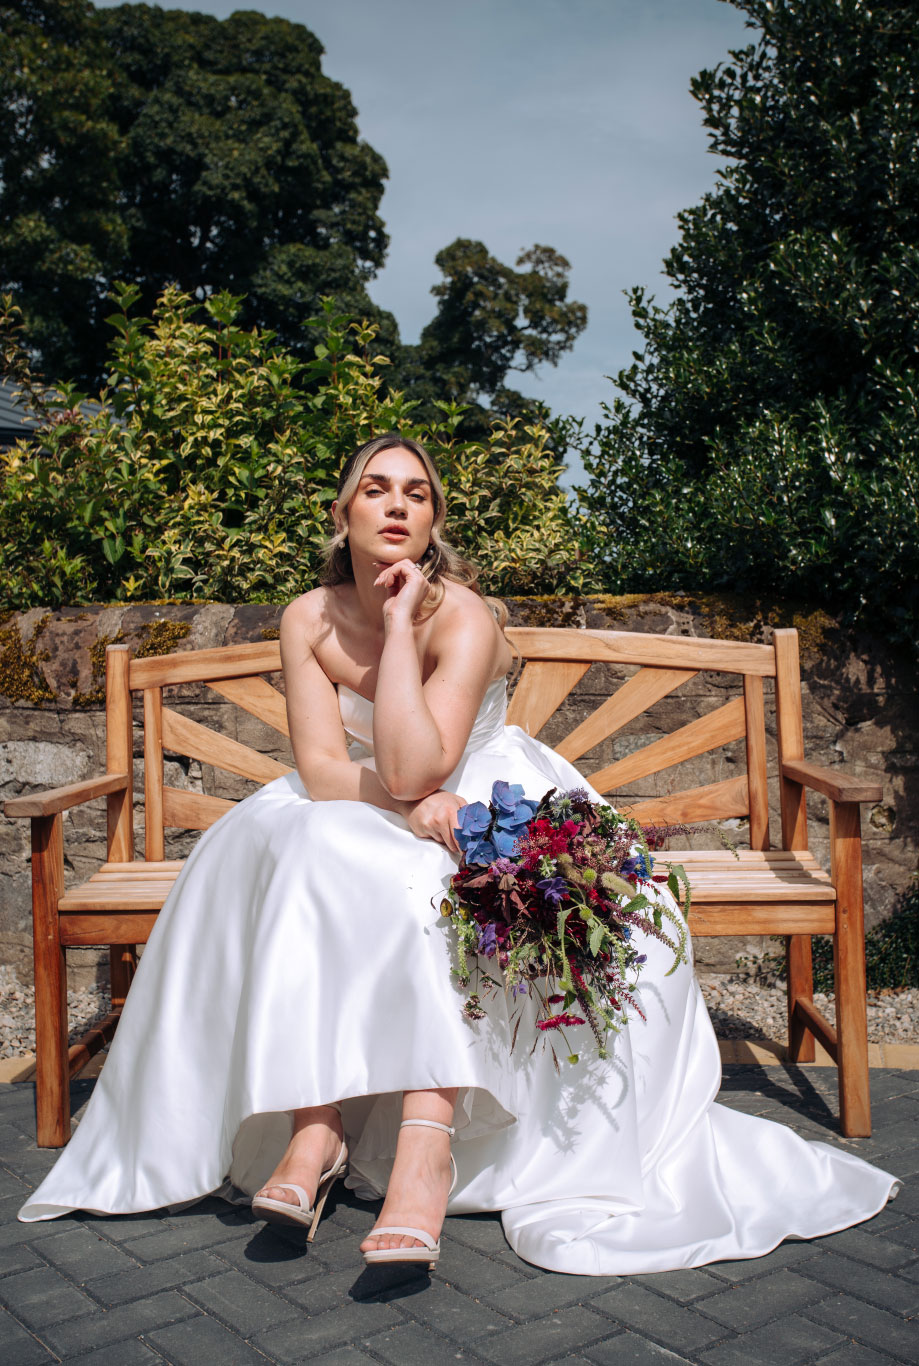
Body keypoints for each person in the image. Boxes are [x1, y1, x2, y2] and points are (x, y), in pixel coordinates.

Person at [18, 434, 897, 1276]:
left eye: (417, 493)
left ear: (434, 522)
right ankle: (313, 1127)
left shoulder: (461, 614)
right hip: (369, 797)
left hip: (480, 789)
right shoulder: (306, 617)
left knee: (420, 876)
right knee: (306, 847)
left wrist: (400, 626)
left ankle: (424, 1146)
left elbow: (419, 761)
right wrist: (407, 804)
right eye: (376, 489)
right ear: (342, 514)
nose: (397, 505)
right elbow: (325, 770)